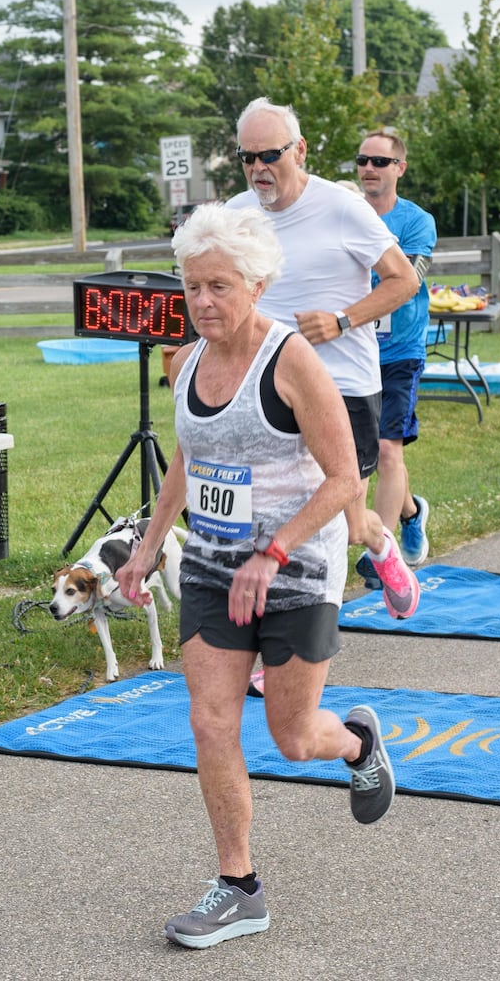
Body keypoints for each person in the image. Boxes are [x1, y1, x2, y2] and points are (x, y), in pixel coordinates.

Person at [116, 203, 395, 949]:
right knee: (210, 721)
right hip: (211, 566)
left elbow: (343, 480)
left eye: (219, 287)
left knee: (293, 736)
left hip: (297, 571)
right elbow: (187, 457)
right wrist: (148, 546)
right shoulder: (186, 361)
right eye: (192, 287)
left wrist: (274, 554)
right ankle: (239, 888)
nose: (203, 302)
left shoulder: (292, 361)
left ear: (257, 284)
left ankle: (358, 745)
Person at [225, 97, 421, 619]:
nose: (258, 169)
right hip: (269, 385)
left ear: (300, 150)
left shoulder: (341, 206)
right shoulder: (237, 214)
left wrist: (341, 320)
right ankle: (289, 643)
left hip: (343, 383)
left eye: (270, 154)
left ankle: (380, 547)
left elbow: (405, 279)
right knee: (277, 512)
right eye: (247, 157)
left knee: (347, 522)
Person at [353, 130, 433, 571]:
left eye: (380, 162)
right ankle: (410, 512)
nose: (369, 169)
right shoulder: (345, 214)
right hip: (352, 350)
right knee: (365, 450)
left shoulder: (417, 221)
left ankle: (380, 556)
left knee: (387, 450)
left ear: (399, 168)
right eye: (363, 160)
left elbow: (408, 280)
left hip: (400, 349)